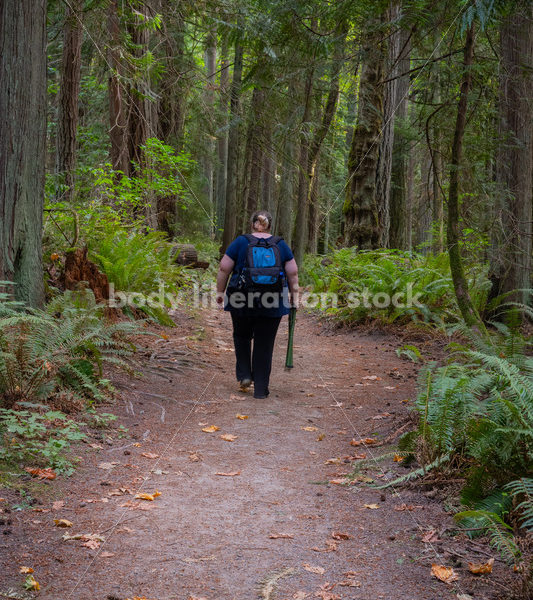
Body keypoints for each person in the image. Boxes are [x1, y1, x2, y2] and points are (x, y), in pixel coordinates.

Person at [216, 210, 299, 399]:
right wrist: (295, 297)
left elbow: (223, 268)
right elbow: (292, 273)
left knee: (241, 336)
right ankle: (261, 389)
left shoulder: (240, 242)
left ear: (253, 224)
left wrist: (220, 293)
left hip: (241, 299)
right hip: (273, 300)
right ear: (270, 225)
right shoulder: (281, 245)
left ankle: (245, 375)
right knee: (265, 343)